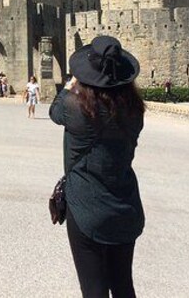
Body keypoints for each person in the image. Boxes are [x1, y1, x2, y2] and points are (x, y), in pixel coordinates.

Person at [49, 36, 145, 298]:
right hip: (126, 205)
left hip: (87, 210)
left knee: (94, 290)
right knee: (124, 286)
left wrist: (69, 86)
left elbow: (54, 111)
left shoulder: (75, 108)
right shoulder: (135, 110)